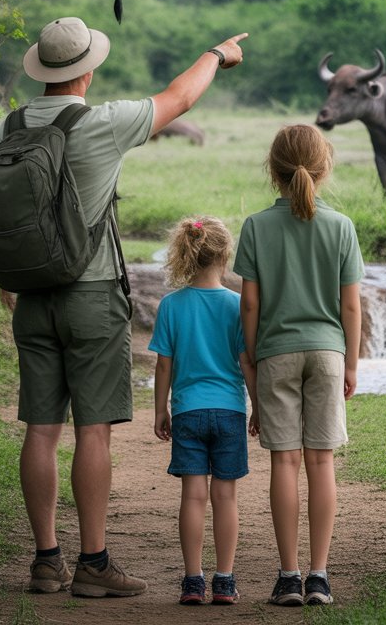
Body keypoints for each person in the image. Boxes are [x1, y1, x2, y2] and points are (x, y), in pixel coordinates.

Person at [0, 16, 247, 598]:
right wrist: (217, 52)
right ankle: (94, 563)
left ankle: (45, 560)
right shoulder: (103, 123)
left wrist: (8, 280)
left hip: (30, 296)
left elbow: (0, 213)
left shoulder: (7, 128)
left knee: (40, 428)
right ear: (87, 70)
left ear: (42, 70)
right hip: (92, 293)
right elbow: (179, 98)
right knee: (94, 432)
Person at [234, 123, 364, 607]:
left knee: (284, 462)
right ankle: (319, 576)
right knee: (321, 461)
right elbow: (351, 307)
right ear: (324, 167)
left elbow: (249, 304)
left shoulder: (255, 226)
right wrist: (351, 363)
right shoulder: (342, 227)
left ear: (274, 172)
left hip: (276, 353)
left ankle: (288, 576)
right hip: (329, 353)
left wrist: (252, 353)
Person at [150, 215, 257, 606]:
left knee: (193, 497)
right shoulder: (236, 306)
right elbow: (247, 362)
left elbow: (164, 364)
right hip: (229, 411)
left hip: (187, 413)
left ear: (183, 254)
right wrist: (257, 406)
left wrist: (160, 409)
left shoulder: (171, 305)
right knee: (225, 498)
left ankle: (193, 581)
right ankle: (224, 581)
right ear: (226, 257)